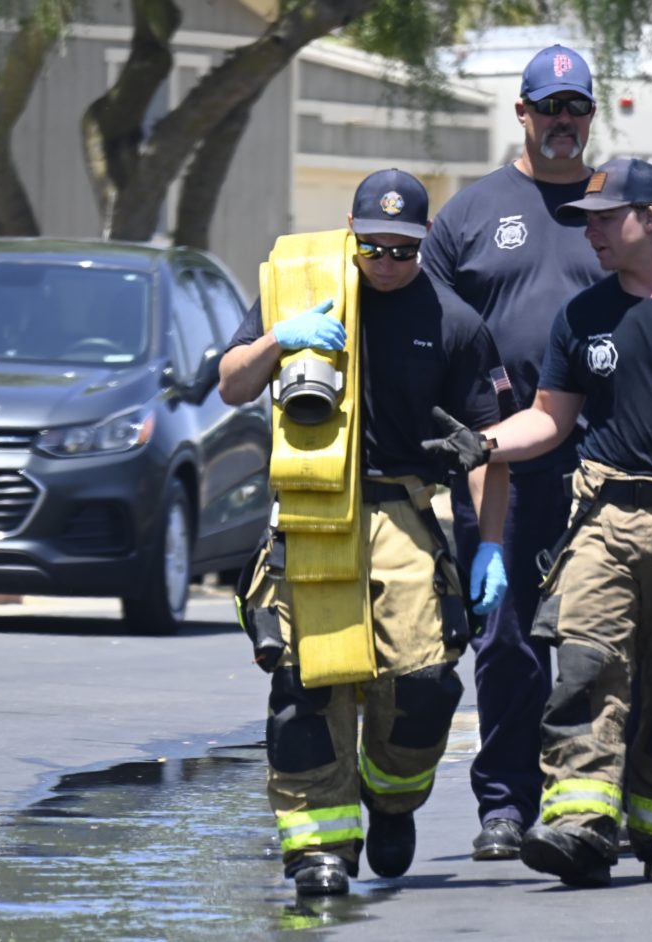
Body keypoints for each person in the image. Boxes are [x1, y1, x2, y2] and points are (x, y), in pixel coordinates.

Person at [422, 157, 652, 887]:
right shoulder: (583, 316)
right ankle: (580, 825)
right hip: (602, 517)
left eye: (604, 218)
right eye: (586, 221)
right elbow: (550, 420)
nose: (590, 233)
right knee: (585, 669)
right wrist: (484, 444)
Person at [218, 168, 511, 897]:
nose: (386, 262)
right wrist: (280, 337)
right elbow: (231, 383)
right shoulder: (301, 284)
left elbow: (488, 446)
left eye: (402, 250)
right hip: (311, 511)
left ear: (425, 240)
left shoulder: (454, 322)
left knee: (423, 686)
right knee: (306, 690)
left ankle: (392, 797)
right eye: (373, 247)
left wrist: (491, 546)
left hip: (402, 511)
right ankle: (319, 849)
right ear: (351, 232)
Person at [419, 42, 605, 861]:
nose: (563, 120)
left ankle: (592, 803)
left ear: (590, 115)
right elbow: (425, 334)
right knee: (506, 641)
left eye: (577, 107)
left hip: (606, 464)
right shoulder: (469, 213)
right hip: (499, 462)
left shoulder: (619, 206)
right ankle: (504, 803)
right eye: (549, 107)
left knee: (601, 642)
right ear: (521, 112)